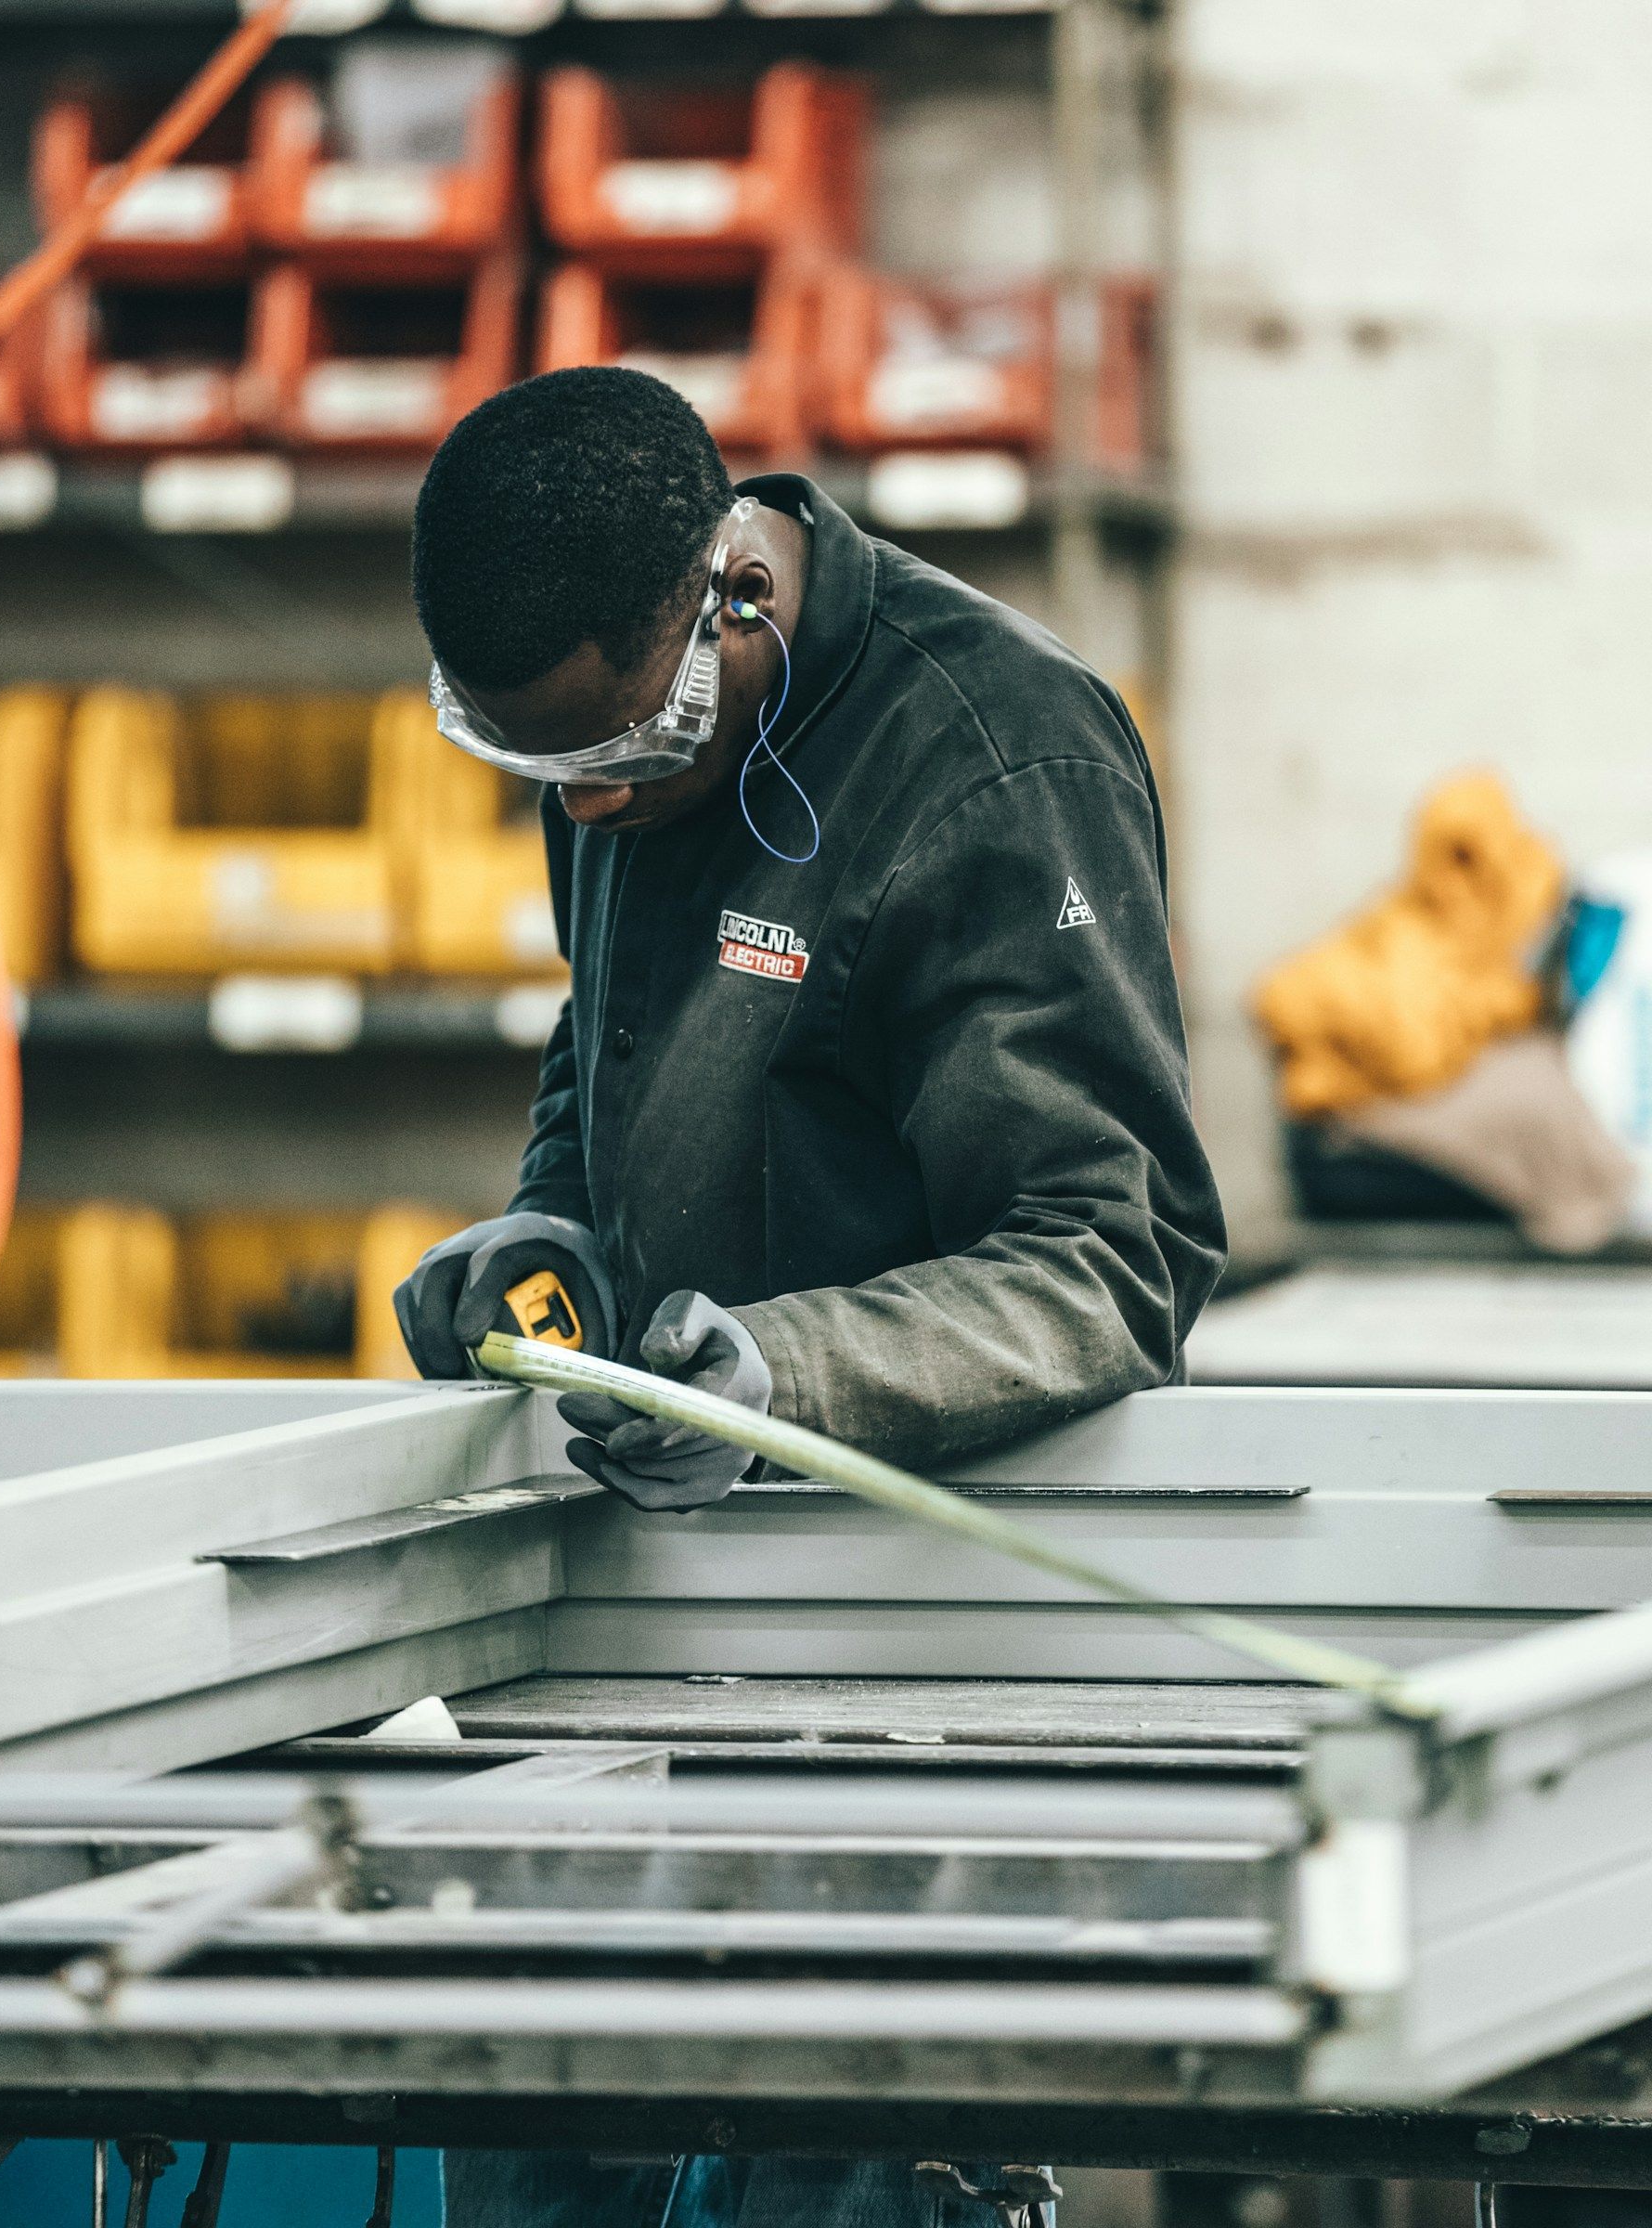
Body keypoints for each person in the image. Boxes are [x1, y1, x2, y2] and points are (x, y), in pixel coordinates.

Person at [396, 365, 1226, 2228]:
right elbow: (610, 1041)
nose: (589, 811)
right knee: (537, 2156)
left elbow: (1117, 1249)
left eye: (617, 756)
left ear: (729, 605)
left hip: (904, 1692)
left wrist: (793, 1376)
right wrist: (552, 1237)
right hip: (629, 1664)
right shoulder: (605, 729)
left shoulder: (992, 759)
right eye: (545, 775)